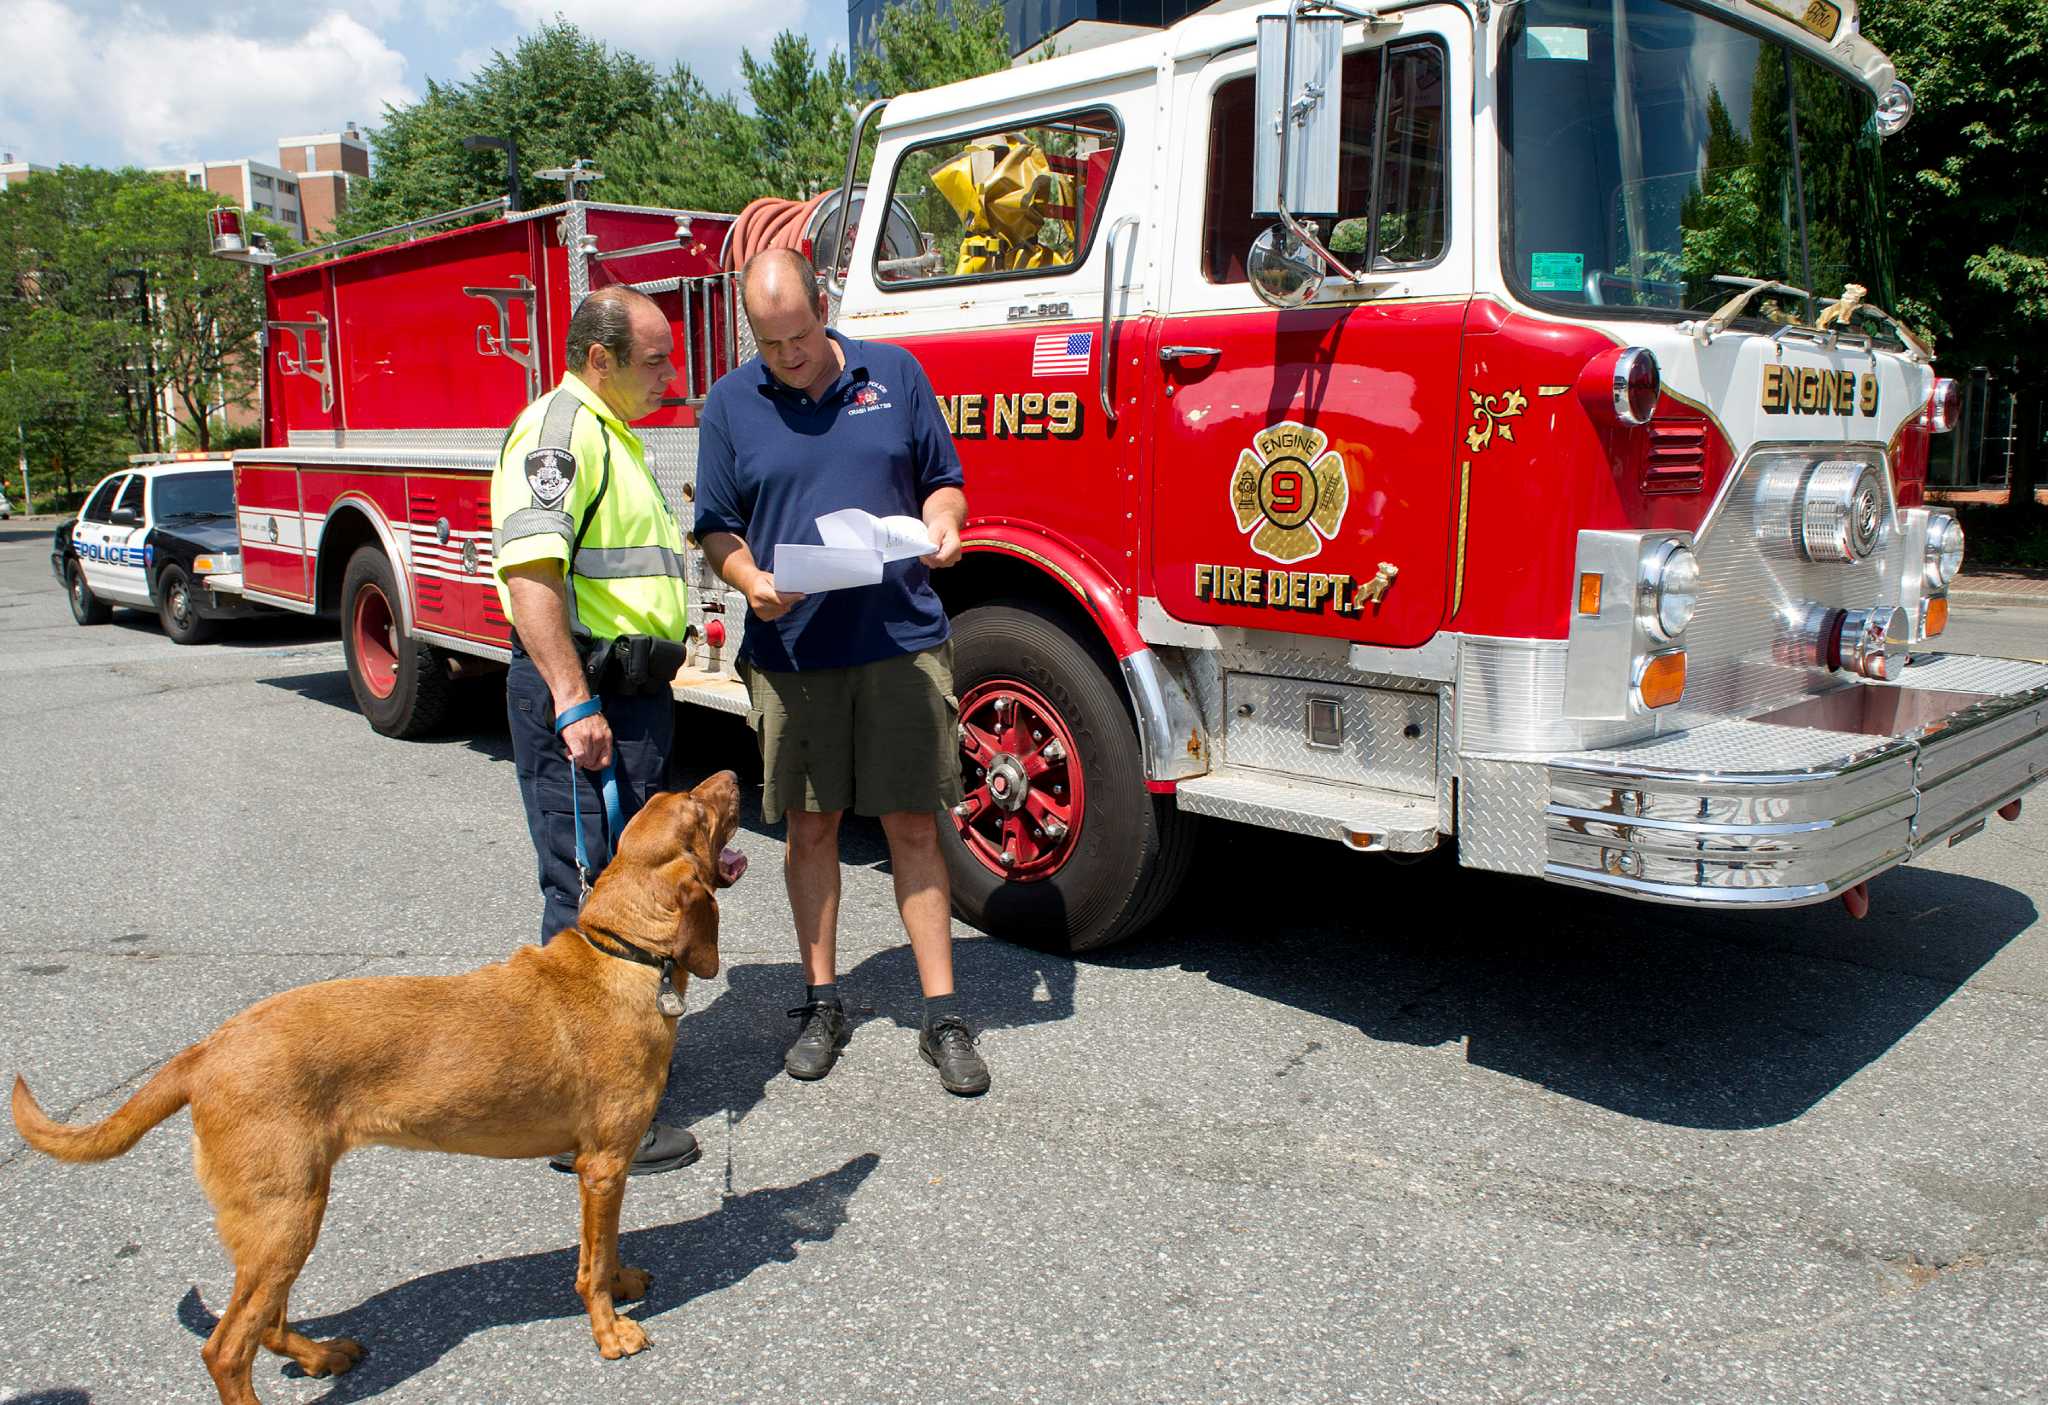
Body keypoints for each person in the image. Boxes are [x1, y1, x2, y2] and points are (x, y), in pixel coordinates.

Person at [693, 247, 989, 1097]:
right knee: (812, 829)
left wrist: (945, 526)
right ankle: (822, 1001)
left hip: (899, 638)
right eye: (768, 341)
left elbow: (943, 482)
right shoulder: (730, 404)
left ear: (824, 306)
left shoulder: (894, 372)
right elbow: (717, 526)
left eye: (798, 336)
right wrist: (749, 579)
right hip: (794, 656)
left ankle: (943, 1014)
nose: (786, 356)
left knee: (911, 825)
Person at [490, 283, 702, 1173]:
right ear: (599, 359)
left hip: (629, 701)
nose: (670, 373)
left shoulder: (613, 433)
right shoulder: (562, 434)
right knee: (585, 901)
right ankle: (588, 1117)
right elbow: (533, 575)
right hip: (591, 704)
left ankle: (617, 1083)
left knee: (626, 896)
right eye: (655, 359)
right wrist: (574, 700)